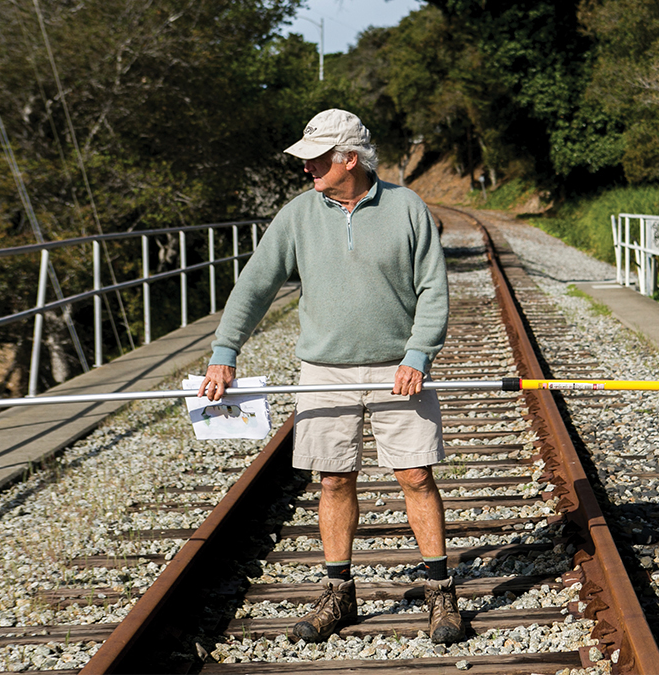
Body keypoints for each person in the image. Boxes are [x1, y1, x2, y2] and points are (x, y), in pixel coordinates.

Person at [198, 108, 463, 645]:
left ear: (349, 159)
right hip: (322, 370)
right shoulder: (297, 216)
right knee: (334, 479)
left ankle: (441, 594)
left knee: (415, 475)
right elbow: (254, 285)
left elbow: (434, 288)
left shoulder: (407, 207)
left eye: (316, 159)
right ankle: (339, 595)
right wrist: (225, 350)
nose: (307, 169)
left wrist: (419, 354)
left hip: (399, 369)